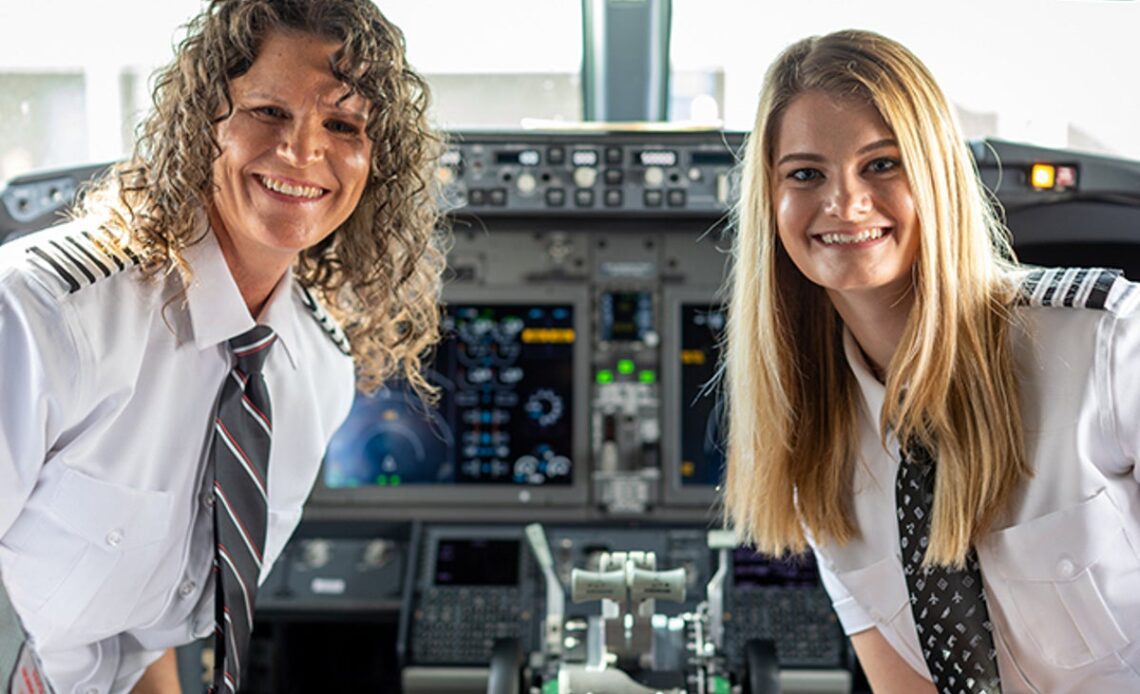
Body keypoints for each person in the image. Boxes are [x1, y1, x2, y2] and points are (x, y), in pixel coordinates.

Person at [0, 0, 446, 691]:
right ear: (204, 118)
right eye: (269, 112)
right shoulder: (39, 316)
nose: (303, 152)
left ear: (374, 162)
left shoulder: (317, 369)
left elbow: (141, 630)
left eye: (342, 124)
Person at [721, 29, 1140, 693]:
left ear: (937, 173)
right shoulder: (814, 446)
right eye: (806, 174)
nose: (844, 202)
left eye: (881, 164)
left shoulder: (1108, 343)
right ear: (770, 205)